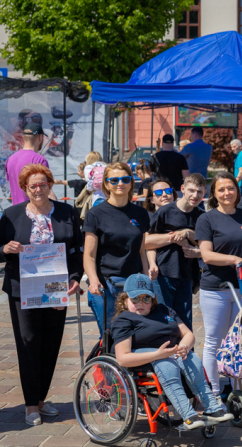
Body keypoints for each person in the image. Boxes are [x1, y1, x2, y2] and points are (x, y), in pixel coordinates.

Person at [0, 165, 83, 426]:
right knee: (29, 343)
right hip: (22, 288)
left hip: (55, 287)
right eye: (33, 185)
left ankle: (41, 399)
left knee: (51, 343)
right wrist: (5, 248)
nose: (38, 189)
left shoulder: (67, 213)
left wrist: (75, 277)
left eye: (43, 184)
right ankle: (29, 404)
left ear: (51, 186)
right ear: (25, 188)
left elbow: (77, 251)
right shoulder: (11, 215)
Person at [112, 274, 234, 431]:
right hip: (147, 356)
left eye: (146, 299)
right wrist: (158, 354)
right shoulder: (124, 319)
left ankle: (211, 407)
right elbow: (123, 358)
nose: (140, 303)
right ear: (125, 299)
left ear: (153, 299)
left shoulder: (165, 311)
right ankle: (188, 415)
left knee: (192, 358)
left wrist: (184, 346)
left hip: (172, 352)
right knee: (167, 364)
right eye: (135, 299)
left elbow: (188, 334)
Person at [195, 171, 242, 401]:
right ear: (214, 193)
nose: (227, 193)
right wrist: (236, 260)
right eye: (221, 189)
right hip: (215, 288)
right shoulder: (207, 219)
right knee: (215, 339)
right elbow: (206, 255)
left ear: (237, 190)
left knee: (241, 340)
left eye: (230, 188)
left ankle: (240, 393)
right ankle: (213, 390)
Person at [83, 162, 152, 336]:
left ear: (131, 182)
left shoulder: (140, 213)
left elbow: (141, 251)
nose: (120, 183)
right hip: (106, 284)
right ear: (106, 184)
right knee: (110, 335)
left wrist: (145, 280)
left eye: (125, 179)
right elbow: (89, 255)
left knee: (135, 334)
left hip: (133, 285)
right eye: (114, 180)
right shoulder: (96, 214)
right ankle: (107, 363)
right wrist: (93, 280)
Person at [145, 173, 206, 329]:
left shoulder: (201, 216)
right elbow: (149, 242)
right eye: (191, 190)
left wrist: (187, 233)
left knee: (185, 321)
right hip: (164, 273)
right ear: (182, 189)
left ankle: (186, 351)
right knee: (164, 318)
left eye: (199, 192)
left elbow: (205, 244)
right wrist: (152, 264)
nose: (195, 195)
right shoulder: (165, 212)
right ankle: (164, 352)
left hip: (186, 275)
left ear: (205, 192)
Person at [5, 123, 54, 205]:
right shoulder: (40, 160)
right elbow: (47, 192)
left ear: (23, 137)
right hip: (35, 212)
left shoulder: (10, 160)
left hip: (16, 212)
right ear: (40, 137)